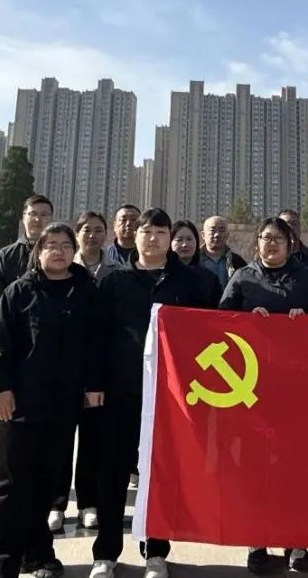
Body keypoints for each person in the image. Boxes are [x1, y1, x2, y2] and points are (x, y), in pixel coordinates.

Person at [88, 209, 222, 578]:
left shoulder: (195, 283)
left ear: (169, 238)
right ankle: (105, 553)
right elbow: (97, 336)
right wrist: (94, 384)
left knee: (161, 472)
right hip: (121, 391)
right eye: (146, 231)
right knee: (113, 472)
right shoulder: (115, 281)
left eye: (161, 232)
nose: (152, 238)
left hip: (171, 395)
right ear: (136, 236)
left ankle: (156, 551)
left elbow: (216, 331)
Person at [0, 223, 97, 578]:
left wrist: (93, 386)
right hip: (19, 406)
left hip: (63, 406)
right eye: (51, 245)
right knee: (10, 486)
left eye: (65, 245)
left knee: (46, 484)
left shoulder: (87, 292)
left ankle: (38, 554)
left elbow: (97, 346)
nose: (58, 251)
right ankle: (2, 566)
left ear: (74, 251)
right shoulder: (19, 292)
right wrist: (0, 389)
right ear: (39, 251)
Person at [219, 217, 308, 574]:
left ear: (290, 243)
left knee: (297, 465)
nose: (271, 244)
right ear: (257, 243)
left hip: (299, 388)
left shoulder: (307, 279)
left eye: (278, 239)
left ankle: (297, 541)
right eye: (265, 238)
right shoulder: (243, 278)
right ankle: (257, 540)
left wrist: (307, 320)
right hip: (253, 390)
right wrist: (246, 319)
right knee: (256, 466)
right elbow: (219, 324)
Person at [47, 212, 121, 534]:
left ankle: (88, 503)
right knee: (59, 442)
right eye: (86, 230)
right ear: (77, 235)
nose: (92, 235)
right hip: (61, 375)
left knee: (92, 442)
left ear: (106, 235)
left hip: (95, 374)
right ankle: (56, 503)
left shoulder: (114, 275)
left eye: (98, 230)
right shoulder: (61, 272)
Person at [0, 195, 54, 503]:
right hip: (13, 349)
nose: (38, 219)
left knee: (48, 419)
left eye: (44, 214)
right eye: (33, 214)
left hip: (49, 351)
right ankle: (0, 476)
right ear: (23, 218)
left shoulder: (59, 253)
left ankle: (46, 482)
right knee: (5, 415)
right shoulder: (6, 256)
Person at [198, 215, 247, 287]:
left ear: (227, 235)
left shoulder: (238, 262)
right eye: (212, 230)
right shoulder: (194, 260)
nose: (217, 235)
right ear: (203, 235)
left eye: (221, 230)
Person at [279, 209, 308, 273]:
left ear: (300, 228)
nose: (290, 227)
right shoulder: (271, 257)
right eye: (284, 224)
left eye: (294, 223)